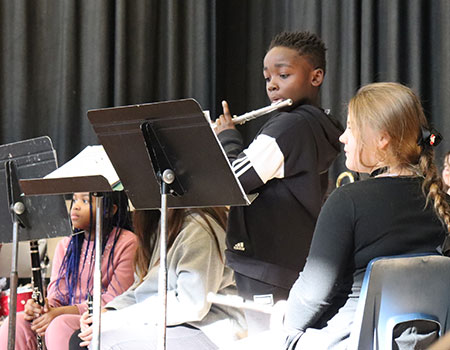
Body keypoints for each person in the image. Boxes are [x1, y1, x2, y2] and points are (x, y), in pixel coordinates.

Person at [283, 82, 450, 349]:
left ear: (382, 139)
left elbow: (312, 294)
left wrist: (284, 325)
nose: (342, 137)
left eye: (351, 127)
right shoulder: (443, 203)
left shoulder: (347, 201)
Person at [214, 31, 342, 332]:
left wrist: (227, 138)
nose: (272, 84)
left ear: (316, 76)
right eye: (267, 77)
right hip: (289, 259)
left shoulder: (288, 127)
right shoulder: (316, 123)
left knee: (265, 341)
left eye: (283, 75)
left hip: (266, 263)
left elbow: (233, 179)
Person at [68, 208, 246, 350]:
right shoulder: (159, 221)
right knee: (80, 340)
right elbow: (141, 288)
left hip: (210, 330)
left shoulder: (199, 226)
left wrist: (119, 319)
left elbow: (192, 305)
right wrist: (107, 313)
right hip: (173, 325)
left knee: (99, 342)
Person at [0, 191, 137, 350]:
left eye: (85, 201)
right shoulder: (66, 245)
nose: (76, 207)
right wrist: (42, 308)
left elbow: (115, 300)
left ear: (110, 210)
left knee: (59, 325)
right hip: (61, 316)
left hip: (99, 318)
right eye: (74, 200)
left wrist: (58, 313)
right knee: (16, 323)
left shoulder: (127, 243)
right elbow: (57, 295)